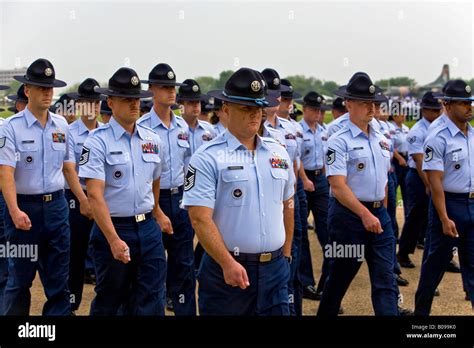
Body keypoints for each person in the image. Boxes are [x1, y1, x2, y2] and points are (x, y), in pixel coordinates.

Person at [183, 67, 295, 315]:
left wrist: (286, 255)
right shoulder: (207, 158)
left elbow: (288, 204)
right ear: (225, 109)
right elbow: (199, 218)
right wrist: (227, 263)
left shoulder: (278, 153)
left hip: (275, 271)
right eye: (246, 108)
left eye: (258, 108)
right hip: (228, 274)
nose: (254, 115)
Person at [79, 67, 169, 315]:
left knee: (151, 297)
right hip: (114, 228)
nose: (134, 105)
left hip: (148, 229)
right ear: (110, 102)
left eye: (137, 100)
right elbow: (95, 195)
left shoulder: (152, 140)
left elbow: (156, 179)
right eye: (127, 99)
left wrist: (157, 211)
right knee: (111, 298)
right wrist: (113, 239)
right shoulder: (97, 141)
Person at [317, 72, 399, 316]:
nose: (371, 108)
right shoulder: (338, 141)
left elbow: (383, 180)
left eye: (373, 103)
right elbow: (337, 185)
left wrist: (380, 209)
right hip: (348, 218)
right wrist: (364, 214)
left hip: (378, 216)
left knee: (386, 281)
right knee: (339, 278)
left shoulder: (383, 139)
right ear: (349, 103)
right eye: (364, 103)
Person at [0, 58, 72, 315]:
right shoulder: (11, 128)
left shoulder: (62, 126)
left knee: (58, 282)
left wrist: (83, 201)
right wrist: (14, 210)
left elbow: (67, 167)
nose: (46, 93)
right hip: (24, 210)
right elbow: (5, 173)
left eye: (49, 88)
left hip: (56, 208)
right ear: (27, 90)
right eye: (40, 88)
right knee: (19, 281)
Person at [138, 63, 196, 315]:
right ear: (151, 90)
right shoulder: (142, 127)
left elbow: (189, 165)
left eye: (173, 87)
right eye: (164, 87)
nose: (171, 92)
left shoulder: (183, 127)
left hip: (180, 198)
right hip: (153, 200)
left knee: (184, 263)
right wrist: (154, 208)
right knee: (153, 266)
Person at [414, 80, 474, 315]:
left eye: (470, 103)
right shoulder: (437, 137)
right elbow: (435, 182)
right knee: (434, 268)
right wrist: (443, 217)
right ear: (447, 105)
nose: (469, 108)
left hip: (471, 203)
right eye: (463, 103)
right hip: (449, 205)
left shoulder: (471, 134)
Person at [63, 78, 103, 313]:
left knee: (104, 255)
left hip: (102, 200)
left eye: (97, 102)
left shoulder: (106, 132)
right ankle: (71, 304)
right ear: (80, 104)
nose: (94, 106)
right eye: (89, 102)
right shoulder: (69, 132)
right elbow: (69, 170)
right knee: (75, 256)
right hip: (76, 199)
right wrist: (84, 200)